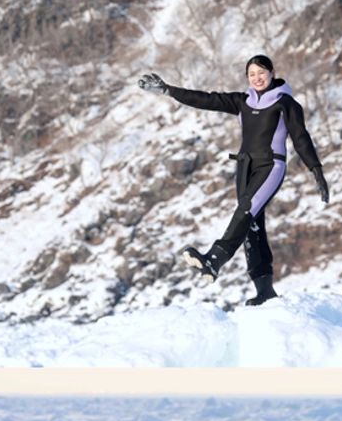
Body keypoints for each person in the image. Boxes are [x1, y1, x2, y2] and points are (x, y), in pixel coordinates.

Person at [138, 55, 329, 307]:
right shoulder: (242, 101)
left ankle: (214, 260)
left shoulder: (286, 103)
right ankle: (264, 290)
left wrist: (316, 170)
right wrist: (168, 90)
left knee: (245, 211)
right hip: (244, 167)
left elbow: (301, 138)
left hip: (271, 165)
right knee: (251, 228)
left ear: (272, 73)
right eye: (252, 74)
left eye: (261, 72)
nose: (257, 78)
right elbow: (205, 99)